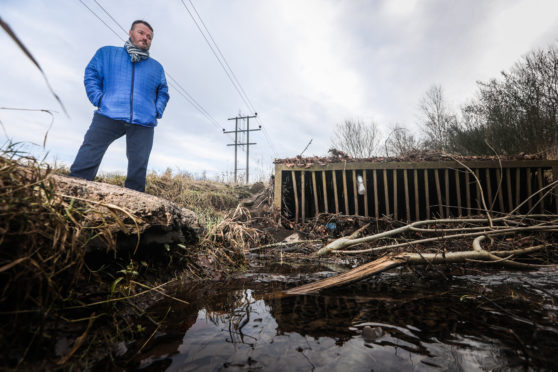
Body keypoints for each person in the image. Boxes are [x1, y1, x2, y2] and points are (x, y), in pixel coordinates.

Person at [69, 20, 169, 192]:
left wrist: (156, 111)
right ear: (130, 33)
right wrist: (99, 99)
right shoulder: (107, 53)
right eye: (141, 33)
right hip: (108, 114)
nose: (145, 38)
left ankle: (136, 209)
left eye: (149, 37)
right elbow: (91, 74)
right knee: (89, 153)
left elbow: (163, 92)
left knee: (138, 167)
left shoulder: (156, 67)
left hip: (143, 121)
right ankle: (73, 193)